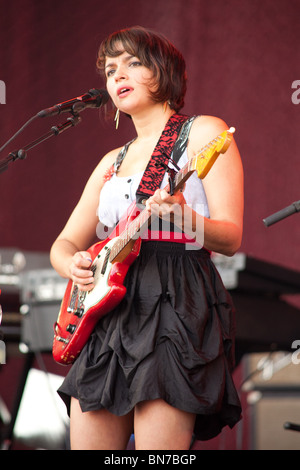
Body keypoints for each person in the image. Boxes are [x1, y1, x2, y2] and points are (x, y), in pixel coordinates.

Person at [50, 26, 244, 450]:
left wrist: (184, 218)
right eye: (110, 68)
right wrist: (75, 266)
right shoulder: (111, 161)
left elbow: (230, 238)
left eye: (133, 63)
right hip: (107, 309)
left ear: (165, 71)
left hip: (174, 296)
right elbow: (63, 245)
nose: (117, 75)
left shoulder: (202, 131)